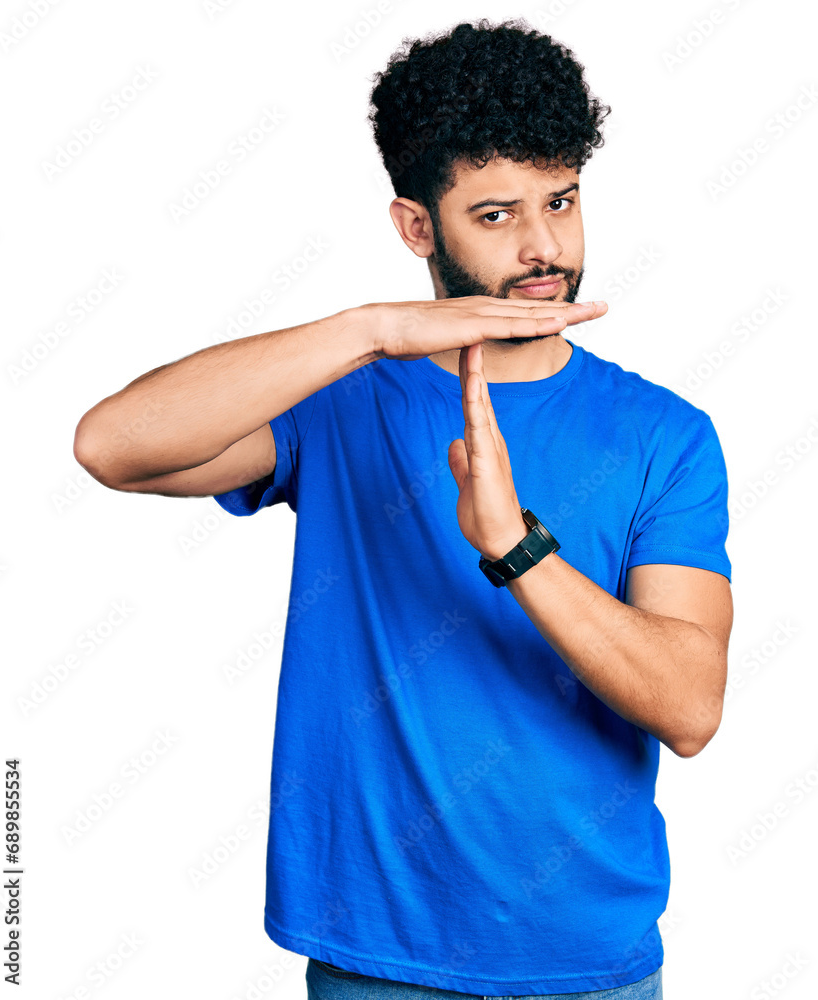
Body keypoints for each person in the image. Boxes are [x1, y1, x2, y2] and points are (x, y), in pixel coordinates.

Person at [73, 17, 732, 1000]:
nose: (546, 244)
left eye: (562, 200)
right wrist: (375, 328)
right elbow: (111, 445)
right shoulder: (343, 396)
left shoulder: (665, 435)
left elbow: (689, 705)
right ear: (417, 227)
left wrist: (513, 544)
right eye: (498, 215)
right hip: (376, 961)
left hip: (588, 966)